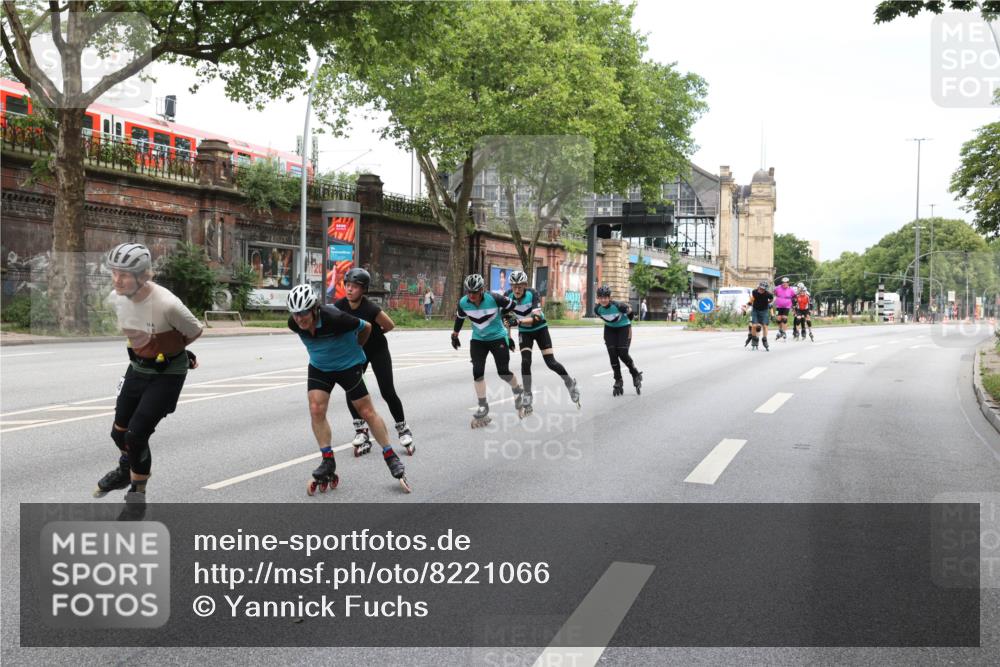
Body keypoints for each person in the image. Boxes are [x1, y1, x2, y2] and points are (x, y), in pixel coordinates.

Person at [95, 243, 203, 505]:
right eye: (114, 273)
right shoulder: (115, 298)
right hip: (137, 368)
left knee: (136, 435)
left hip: (167, 374)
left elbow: (195, 330)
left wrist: (175, 350)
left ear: (143, 276)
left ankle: (137, 492)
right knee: (118, 433)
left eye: (124, 275)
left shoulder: (168, 304)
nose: (117, 280)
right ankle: (126, 469)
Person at [286, 284, 410, 494]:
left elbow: (367, 327)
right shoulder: (294, 323)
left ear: (314, 309)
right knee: (316, 409)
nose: (299, 318)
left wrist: (356, 349)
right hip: (320, 367)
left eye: (303, 313)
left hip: (348, 365)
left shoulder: (335, 318)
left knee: (367, 411)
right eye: (295, 313)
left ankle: (390, 456)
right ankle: (327, 460)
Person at [335, 268, 415, 456]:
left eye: (355, 286)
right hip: (357, 352)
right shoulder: (339, 307)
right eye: (347, 285)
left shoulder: (370, 308)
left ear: (363, 289)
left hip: (378, 350)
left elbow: (390, 325)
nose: (350, 289)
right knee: (352, 389)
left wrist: (374, 333)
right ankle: (361, 430)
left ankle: (403, 429)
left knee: (387, 391)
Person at [452, 273, 525, 427]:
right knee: (477, 372)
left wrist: (510, 326)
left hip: (498, 337)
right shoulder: (463, 303)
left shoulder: (495, 298)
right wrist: (455, 335)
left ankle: (517, 390)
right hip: (478, 339)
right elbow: (460, 318)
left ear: (482, 290)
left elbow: (512, 307)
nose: (471, 295)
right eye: (469, 292)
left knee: (503, 372)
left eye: (475, 292)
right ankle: (483, 407)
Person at [504, 270, 580, 413]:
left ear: (525, 285)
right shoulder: (507, 296)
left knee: (551, 363)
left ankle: (569, 382)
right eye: (514, 287)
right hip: (525, 332)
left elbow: (537, 317)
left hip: (540, 328)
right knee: (525, 362)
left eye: (520, 287)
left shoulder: (532, 293)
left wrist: (519, 321)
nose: (517, 290)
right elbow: (507, 318)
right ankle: (527, 394)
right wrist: (508, 337)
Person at [594, 285, 642, 396]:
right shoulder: (597, 309)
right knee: (612, 354)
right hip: (610, 329)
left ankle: (635, 373)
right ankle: (618, 379)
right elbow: (605, 318)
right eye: (601, 298)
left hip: (624, 327)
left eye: (605, 297)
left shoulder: (619, 306)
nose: (603, 300)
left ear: (609, 297)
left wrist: (626, 320)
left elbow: (631, 316)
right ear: (598, 298)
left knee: (623, 353)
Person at [745, 281, 774, 351]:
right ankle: (754, 339)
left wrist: (767, 303)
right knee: (754, 326)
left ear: (765, 290)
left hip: (764, 310)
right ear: (758, 287)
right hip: (755, 310)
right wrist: (746, 308)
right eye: (760, 288)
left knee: (765, 326)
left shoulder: (768, 294)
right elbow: (751, 300)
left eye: (763, 289)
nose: (761, 290)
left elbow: (771, 300)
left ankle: (764, 340)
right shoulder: (754, 292)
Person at [773, 277, 795, 341]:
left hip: (787, 306)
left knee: (784, 319)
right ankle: (780, 331)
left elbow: (794, 296)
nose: (784, 284)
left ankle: (784, 332)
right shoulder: (778, 288)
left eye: (786, 283)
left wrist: (793, 305)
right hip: (778, 306)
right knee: (778, 319)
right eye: (783, 283)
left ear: (788, 283)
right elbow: (774, 293)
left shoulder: (791, 290)